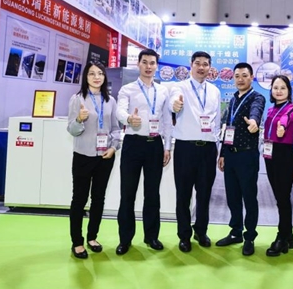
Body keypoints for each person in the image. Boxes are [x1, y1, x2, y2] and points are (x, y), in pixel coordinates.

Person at [115, 49, 171, 255]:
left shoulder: (163, 91)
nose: (148, 66)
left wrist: (167, 146)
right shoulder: (127, 89)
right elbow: (119, 110)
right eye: (145, 62)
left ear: (156, 66)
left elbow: (167, 121)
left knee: (152, 194)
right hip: (133, 144)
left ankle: (151, 236)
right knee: (127, 194)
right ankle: (125, 239)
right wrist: (129, 118)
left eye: (152, 63)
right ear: (138, 64)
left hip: (155, 145)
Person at [66, 61, 121, 259]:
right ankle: (77, 242)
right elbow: (71, 129)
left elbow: (116, 128)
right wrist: (79, 119)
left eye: (100, 73)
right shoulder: (77, 99)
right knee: (79, 199)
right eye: (92, 74)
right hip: (83, 156)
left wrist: (113, 147)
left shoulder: (110, 100)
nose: (96, 77)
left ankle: (92, 237)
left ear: (104, 77)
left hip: (105, 157)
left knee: (98, 198)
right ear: (86, 77)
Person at [169, 51, 221, 253]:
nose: (201, 67)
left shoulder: (214, 91)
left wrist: (218, 147)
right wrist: (175, 105)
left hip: (208, 149)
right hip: (185, 148)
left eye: (205, 64)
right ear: (191, 65)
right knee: (183, 194)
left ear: (210, 67)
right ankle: (184, 235)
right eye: (197, 63)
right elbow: (173, 103)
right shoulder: (179, 87)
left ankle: (201, 230)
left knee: (205, 193)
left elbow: (217, 121)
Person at [216, 62, 265, 256]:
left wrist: (254, 121)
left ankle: (249, 236)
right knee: (233, 196)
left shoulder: (257, 97)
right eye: (237, 76)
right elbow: (227, 127)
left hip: (247, 155)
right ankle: (235, 231)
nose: (240, 79)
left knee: (249, 197)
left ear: (251, 77)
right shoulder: (232, 100)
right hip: (230, 154)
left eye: (244, 75)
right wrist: (222, 153)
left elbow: (256, 111)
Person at [261, 75, 293, 257]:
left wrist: (282, 127)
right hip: (270, 155)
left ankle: (281, 237)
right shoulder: (270, 109)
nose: (278, 91)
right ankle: (289, 235)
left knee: (283, 198)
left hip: (284, 155)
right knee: (279, 197)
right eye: (275, 87)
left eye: (283, 88)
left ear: (288, 91)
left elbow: (286, 119)